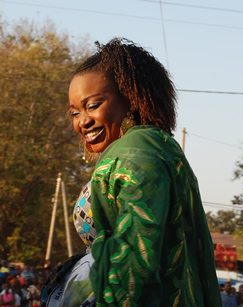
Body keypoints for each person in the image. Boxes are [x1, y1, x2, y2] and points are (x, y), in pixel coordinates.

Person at [42, 37, 221, 306]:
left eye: (92, 105)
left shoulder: (135, 151)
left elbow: (136, 268)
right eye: (74, 113)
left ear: (131, 98)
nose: (83, 121)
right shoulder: (156, 148)